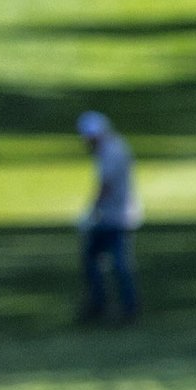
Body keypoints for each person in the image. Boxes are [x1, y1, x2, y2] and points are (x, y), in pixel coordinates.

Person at [74, 113, 140, 323]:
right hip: (117, 214)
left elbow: (106, 186)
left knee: (115, 264)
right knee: (98, 260)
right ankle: (105, 305)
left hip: (114, 217)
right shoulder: (114, 147)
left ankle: (115, 307)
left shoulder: (111, 151)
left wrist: (91, 212)